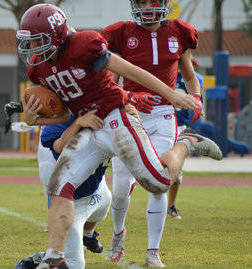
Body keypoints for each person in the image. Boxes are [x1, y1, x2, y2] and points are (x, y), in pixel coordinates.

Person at [16, 4, 221, 268]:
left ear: (56, 35)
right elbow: (64, 112)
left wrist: (171, 95)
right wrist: (35, 120)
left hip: (115, 118)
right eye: (29, 41)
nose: (32, 47)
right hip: (89, 126)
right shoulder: (38, 69)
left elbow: (129, 71)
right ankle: (55, 257)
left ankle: (186, 144)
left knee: (158, 183)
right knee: (58, 185)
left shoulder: (84, 44)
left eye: (38, 40)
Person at [101, 0, 219, 266]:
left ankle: (153, 251)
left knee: (161, 180)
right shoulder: (121, 33)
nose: (146, 6)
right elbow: (110, 82)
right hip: (130, 113)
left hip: (164, 114)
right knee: (120, 186)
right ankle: (118, 232)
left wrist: (197, 98)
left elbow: (189, 77)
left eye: (152, 0)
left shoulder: (179, 31)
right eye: (141, 1)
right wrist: (128, 98)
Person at [16, 110, 112, 269]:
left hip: (99, 190)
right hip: (74, 203)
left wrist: (132, 111)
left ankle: (87, 235)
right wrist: (78, 124)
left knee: (106, 205)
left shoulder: (109, 110)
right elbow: (59, 149)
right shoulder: (55, 123)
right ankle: (43, 259)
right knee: (75, 265)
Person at [168, 67, 204, 219]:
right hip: (161, 123)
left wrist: (197, 106)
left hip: (181, 126)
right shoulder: (164, 71)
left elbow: (196, 99)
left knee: (177, 173)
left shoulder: (194, 78)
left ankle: (170, 206)